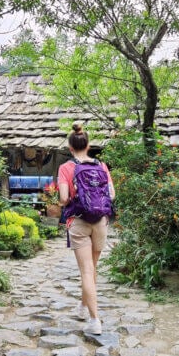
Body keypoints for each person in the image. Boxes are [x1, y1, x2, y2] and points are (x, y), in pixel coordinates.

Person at [57, 123, 115, 335]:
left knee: (86, 271)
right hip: (100, 222)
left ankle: (95, 319)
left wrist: (70, 199)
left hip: (79, 221)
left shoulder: (65, 168)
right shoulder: (101, 166)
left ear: (70, 148)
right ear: (88, 145)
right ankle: (83, 307)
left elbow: (63, 198)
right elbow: (112, 195)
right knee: (92, 269)